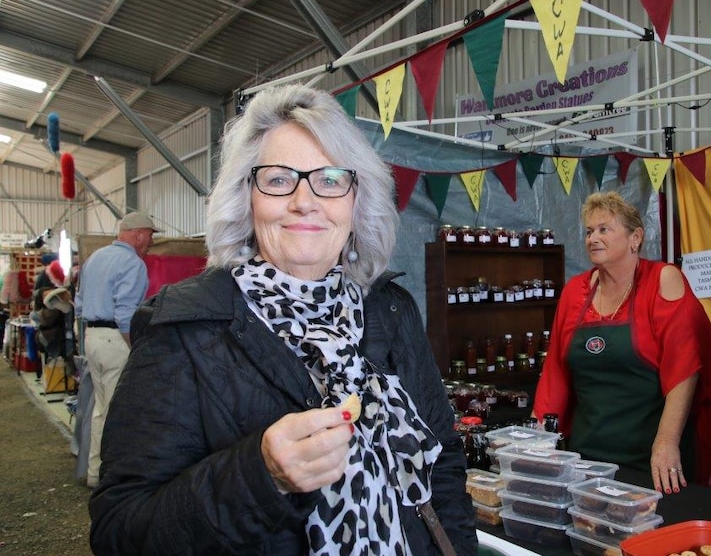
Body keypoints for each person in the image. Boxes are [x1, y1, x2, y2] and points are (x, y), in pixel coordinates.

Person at [89, 83, 476, 556]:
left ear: (356, 201)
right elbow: (121, 532)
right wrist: (260, 476)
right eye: (278, 179)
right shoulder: (185, 327)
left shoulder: (390, 309)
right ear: (246, 198)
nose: (305, 201)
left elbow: (445, 465)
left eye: (330, 179)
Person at [532, 191, 711, 494]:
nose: (593, 239)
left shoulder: (663, 280)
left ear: (635, 238)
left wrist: (666, 443)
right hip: (587, 456)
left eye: (604, 229)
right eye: (589, 232)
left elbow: (685, 370)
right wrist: (538, 441)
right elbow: (556, 375)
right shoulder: (575, 291)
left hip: (651, 461)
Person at [75, 211, 159, 488]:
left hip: (92, 337)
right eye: (149, 235)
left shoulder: (94, 259)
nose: (149, 241)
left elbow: (78, 304)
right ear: (138, 234)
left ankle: (95, 472)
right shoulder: (132, 263)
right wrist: (136, 348)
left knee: (101, 408)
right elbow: (126, 315)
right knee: (120, 411)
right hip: (115, 340)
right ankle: (114, 478)